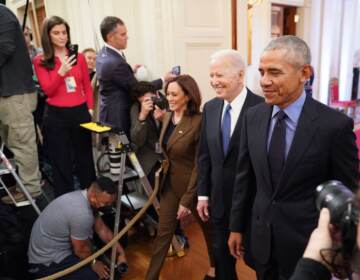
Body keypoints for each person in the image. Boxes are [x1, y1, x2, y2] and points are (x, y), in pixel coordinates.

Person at [228, 35, 359, 280]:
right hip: (262, 240)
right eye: (262, 71)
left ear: (304, 73)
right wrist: (236, 227)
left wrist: (345, 250)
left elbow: (347, 193)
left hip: (310, 247)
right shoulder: (252, 117)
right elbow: (244, 178)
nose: (264, 81)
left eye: (275, 72)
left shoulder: (335, 126)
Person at [196, 49, 263, 280]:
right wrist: (203, 194)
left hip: (253, 205)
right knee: (222, 262)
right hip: (219, 203)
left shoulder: (263, 108)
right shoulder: (211, 108)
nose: (214, 82)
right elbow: (204, 155)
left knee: (259, 262)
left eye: (220, 75)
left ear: (240, 75)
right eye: (211, 75)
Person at [145, 75, 215, 280]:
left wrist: (186, 200)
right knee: (163, 235)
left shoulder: (200, 121)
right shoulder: (167, 117)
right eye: (167, 93)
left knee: (208, 230)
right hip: (169, 186)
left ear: (188, 96)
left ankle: (214, 267)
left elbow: (199, 165)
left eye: (174, 94)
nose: (169, 97)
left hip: (192, 188)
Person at [33, 16, 96, 197]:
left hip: (80, 112)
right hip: (56, 116)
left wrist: (90, 109)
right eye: (56, 33)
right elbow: (48, 91)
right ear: (48, 35)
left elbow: (87, 86)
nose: (62, 36)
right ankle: (66, 205)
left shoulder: (80, 57)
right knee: (62, 164)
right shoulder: (40, 60)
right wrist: (61, 72)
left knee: (85, 160)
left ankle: (92, 204)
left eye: (64, 32)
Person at [28, 176, 127, 279]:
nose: (105, 206)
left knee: (99, 263)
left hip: (56, 250)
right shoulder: (82, 214)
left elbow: (103, 230)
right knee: (94, 276)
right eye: (105, 203)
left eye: (109, 203)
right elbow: (80, 251)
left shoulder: (82, 196)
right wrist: (94, 263)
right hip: (46, 262)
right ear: (93, 196)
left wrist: (121, 253)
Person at [96, 16, 173, 135]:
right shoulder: (115, 63)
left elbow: (114, 77)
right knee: (122, 151)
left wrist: (129, 71)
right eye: (123, 34)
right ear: (110, 37)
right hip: (118, 117)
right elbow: (137, 89)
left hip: (108, 112)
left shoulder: (103, 53)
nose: (127, 37)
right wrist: (163, 79)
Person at [0, 4, 42, 203]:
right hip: (7, 92)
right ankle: (23, 186)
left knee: (22, 143)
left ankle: (29, 189)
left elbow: (5, 47)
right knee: (13, 142)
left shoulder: (2, 13)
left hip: (15, 93)